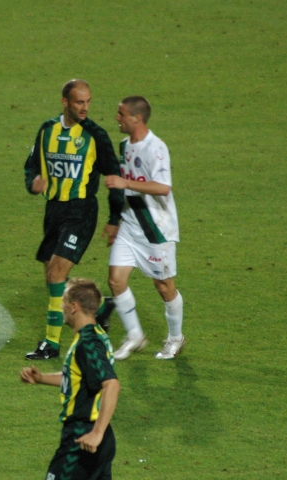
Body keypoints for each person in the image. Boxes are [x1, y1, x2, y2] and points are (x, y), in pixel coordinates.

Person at [24, 79, 124, 360]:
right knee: (53, 278)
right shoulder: (47, 130)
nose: (85, 107)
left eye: (88, 101)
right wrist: (32, 182)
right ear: (65, 102)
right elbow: (31, 164)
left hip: (81, 211)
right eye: (79, 102)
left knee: (56, 273)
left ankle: (50, 344)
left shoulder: (95, 136)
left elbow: (114, 176)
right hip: (54, 210)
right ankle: (100, 307)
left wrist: (115, 217)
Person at [103, 96, 184, 360]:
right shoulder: (125, 145)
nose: (117, 118)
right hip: (130, 224)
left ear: (137, 118)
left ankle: (175, 338)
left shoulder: (156, 148)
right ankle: (135, 335)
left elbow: (163, 187)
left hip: (155, 229)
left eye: (121, 114)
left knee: (163, 286)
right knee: (115, 280)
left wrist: (125, 184)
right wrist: (115, 220)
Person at [20, 278, 120, 480]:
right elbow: (79, 379)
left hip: (83, 437)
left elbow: (112, 385)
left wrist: (97, 433)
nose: (60, 306)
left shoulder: (88, 344)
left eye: (63, 301)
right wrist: (42, 378)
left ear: (74, 307)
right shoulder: (94, 335)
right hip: (93, 436)